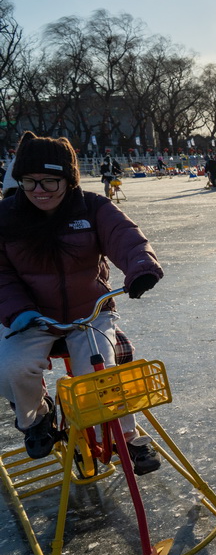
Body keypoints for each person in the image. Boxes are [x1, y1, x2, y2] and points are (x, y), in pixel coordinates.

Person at [0, 132, 163, 473]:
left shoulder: (92, 207)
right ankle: (37, 419)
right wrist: (19, 313)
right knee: (11, 370)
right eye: (29, 182)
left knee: (99, 375)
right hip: (29, 317)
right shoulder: (7, 217)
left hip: (89, 314)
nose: (39, 191)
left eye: (49, 181)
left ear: (68, 180)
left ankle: (125, 436)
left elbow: (126, 237)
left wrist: (141, 267)